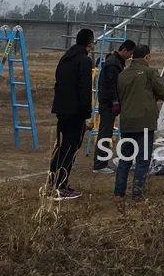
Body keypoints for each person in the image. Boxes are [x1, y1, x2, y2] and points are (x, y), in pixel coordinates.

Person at [114, 45, 164, 203]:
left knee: (125, 158)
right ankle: (137, 196)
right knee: (142, 160)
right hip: (144, 122)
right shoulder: (150, 73)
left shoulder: (122, 75)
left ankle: (118, 194)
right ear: (147, 57)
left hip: (126, 123)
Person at [49, 28, 94, 200]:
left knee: (60, 148)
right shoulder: (84, 60)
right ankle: (61, 187)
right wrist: (87, 114)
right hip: (76, 113)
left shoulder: (65, 58)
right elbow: (85, 89)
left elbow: (58, 81)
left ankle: (52, 184)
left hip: (61, 110)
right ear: (90, 43)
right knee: (70, 149)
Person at [93, 39, 136, 173]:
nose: (130, 57)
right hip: (108, 104)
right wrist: (115, 102)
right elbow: (112, 85)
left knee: (107, 132)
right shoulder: (113, 64)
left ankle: (102, 162)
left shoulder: (115, 61)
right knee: (105, 133)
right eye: (130, 53)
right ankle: (100, 164)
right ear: (124, 50)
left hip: (109, 103)